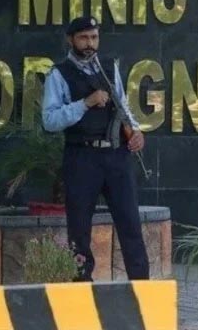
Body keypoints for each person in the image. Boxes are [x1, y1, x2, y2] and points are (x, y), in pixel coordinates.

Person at [42, 16, 149, 281]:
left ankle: (141, 289)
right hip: (82, 157)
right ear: (71, 40)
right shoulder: (59, 73)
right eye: (84, 38)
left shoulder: (109, 68)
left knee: (130, 224)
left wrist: (136, 132)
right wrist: (85, 103)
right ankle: (81, 289)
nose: (90, 44)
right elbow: (50, 121)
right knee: (79, 229)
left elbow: (123, 106)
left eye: (94, 37)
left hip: (117, 155)